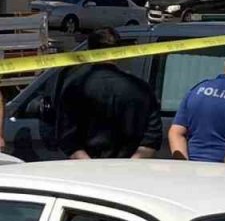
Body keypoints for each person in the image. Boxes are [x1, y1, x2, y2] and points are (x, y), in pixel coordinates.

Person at [52, 27, 162, 159]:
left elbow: (67, 138)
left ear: (89, 52)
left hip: (87, 173)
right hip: (130, 173)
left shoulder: (75, 88)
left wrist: (90, 167)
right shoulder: (141, 88)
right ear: (119, 52)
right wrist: (132, 165)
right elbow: (152, 137)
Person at [169, 44, 225, 163]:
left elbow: (176, 132)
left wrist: (184, 167)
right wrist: (223, 174)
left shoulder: (198, 89)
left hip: (191, 171)